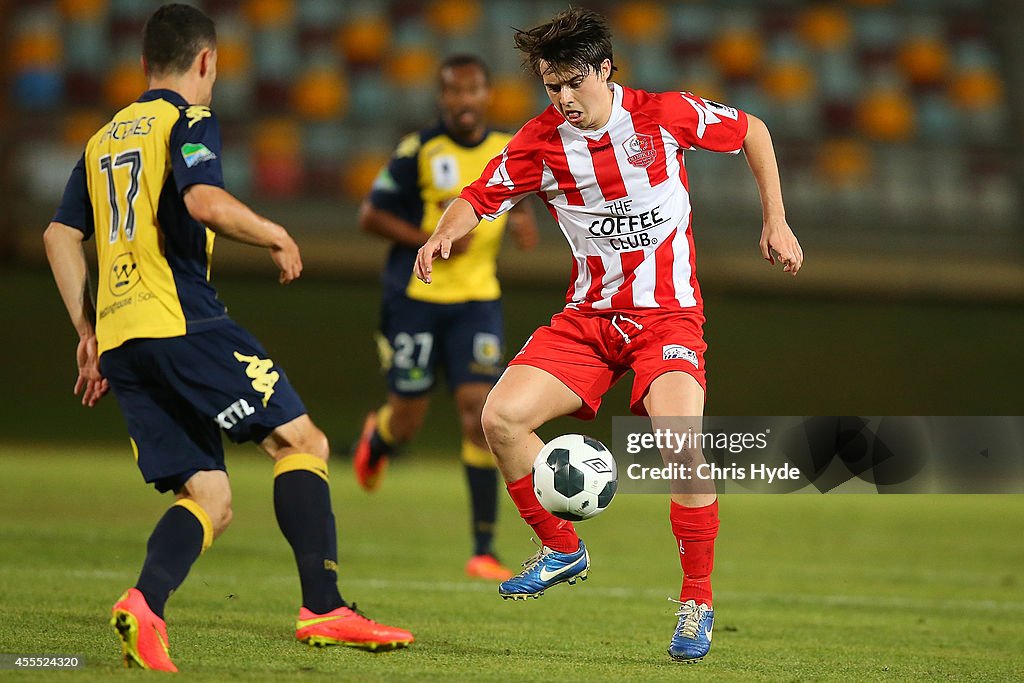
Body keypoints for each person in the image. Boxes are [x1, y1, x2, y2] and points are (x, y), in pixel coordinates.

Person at [414, 7, 803, 663]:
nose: (563, 99)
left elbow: (753, 132)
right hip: (589, 320)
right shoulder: (539, 141)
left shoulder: (664, 114)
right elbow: (480, 196)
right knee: (500, 418)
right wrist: (444, 230)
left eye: (573, 82)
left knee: (680, 442)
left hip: (667, 318)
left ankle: (697, 603)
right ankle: (562, 547)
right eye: (550, 87)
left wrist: (776, 221)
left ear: (603, 70)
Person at [43, 4, 412, 672]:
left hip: (124, 338)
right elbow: (204, 202)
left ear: (144, 60)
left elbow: (59, 234)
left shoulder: (102, 139)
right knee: (302, 441)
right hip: (181, 317)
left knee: (209, 495)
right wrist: (276, 232)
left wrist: (87, 328)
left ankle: (144, 605)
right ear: (206, 60)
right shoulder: (187, 118)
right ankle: (324, 605)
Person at [353, 54, 539, 581]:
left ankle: (483, 548)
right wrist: (431, 242)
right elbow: (370, 215)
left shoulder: (508, 147)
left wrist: (523, 219)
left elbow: (515, 192)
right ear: (442, 98)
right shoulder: (419, 150)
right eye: (454, 92)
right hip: (417, 296)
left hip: (478, 300)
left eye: (473, 91)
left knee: (479, 410)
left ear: (486, 96)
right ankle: (382, 436)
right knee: (409, 416)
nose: (464, 101)